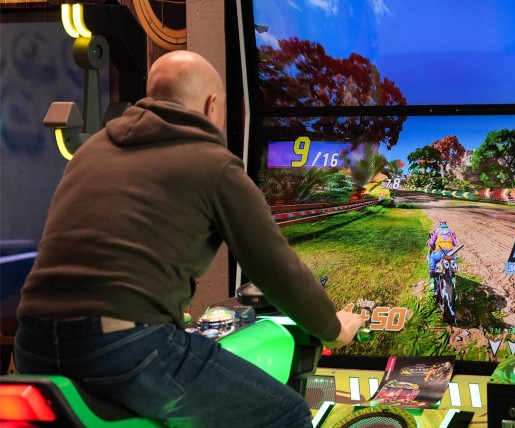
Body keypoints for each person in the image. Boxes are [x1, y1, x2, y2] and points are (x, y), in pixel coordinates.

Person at [13, 50, 364, 428]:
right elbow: (278, 270)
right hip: (123, 347)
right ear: (212, 105)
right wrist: (333, 328)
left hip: (33, 344)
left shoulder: (92, 151)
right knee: (287, 414)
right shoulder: (212, 163)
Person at [427, 221, 458, 290]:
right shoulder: (450, 231)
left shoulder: (437, 231)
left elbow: (431, 243)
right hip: (450, 254)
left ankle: (432, 280)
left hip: (440, 253)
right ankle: (453, 277)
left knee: (432, 257)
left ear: (440, 225)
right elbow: (455, 243)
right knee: (453, 262)